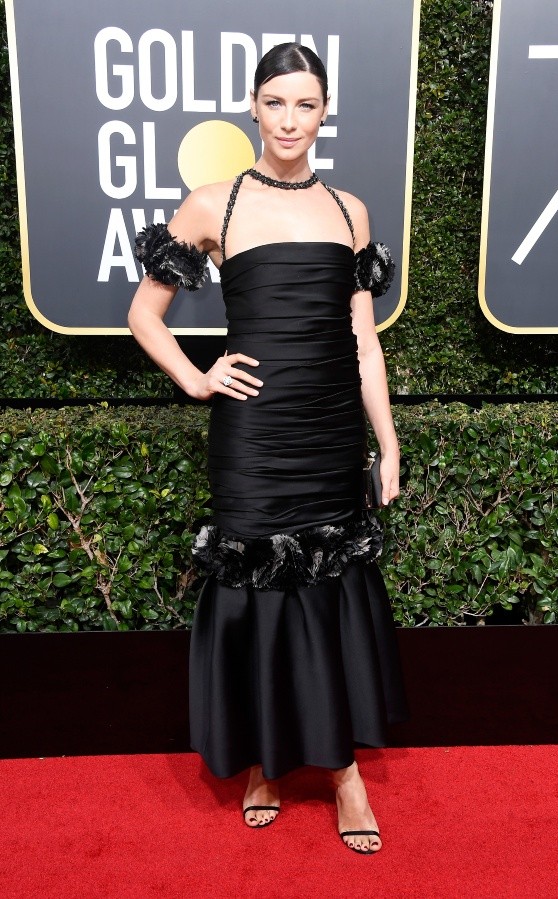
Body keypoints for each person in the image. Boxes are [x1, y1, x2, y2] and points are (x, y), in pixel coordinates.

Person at [128, 42, 407, 855]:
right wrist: (195, 377)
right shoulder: (213, 204)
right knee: (258, 592)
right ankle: (267, 764)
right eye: (276, 102)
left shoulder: (350, 211)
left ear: (325, 113)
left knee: (332, 589)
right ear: (254, 106)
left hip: (327, 432)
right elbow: (146, 315)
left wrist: (386, 443)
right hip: (253, 437)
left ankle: (345, 769)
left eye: (306, 104)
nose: (290, 119)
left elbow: (365, 341)